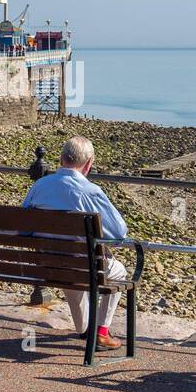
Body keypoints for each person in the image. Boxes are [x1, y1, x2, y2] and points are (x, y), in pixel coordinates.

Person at [21, 136, 129, 352]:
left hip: (48, 264)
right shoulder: (90, 191)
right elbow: (119, 232)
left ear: (61, 159)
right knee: (120, 272)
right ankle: (101, 332)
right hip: (83, 265)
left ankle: (85, 330)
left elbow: (22, 227)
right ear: (88, 163)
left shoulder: (40, 185)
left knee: (72, 270)